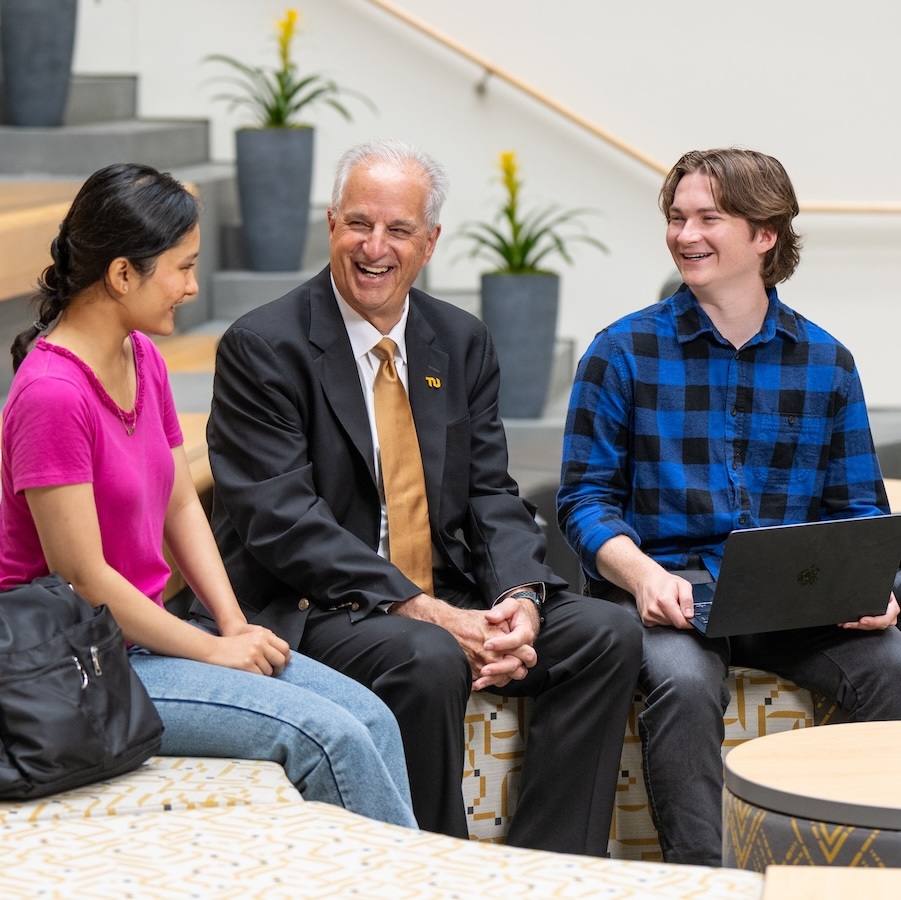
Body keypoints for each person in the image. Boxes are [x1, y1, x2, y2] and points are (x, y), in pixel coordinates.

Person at [200, 139, 642, 855]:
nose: (375, 247)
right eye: (359, 224)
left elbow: (491, 494)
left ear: (429, 241)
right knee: (428, 656)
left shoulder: (459, 341)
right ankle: (434, 869)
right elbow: (282, 524)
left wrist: (520, 602)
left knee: (604, 634)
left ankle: (546, 864)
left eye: (398, 230)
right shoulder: (264, 345)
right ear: (330, 223)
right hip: (320, 605)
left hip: (447, 593)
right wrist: (429, 611)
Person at [0, 163, 416, 829]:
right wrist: (212, 651)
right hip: (79, 662)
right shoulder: (53, 395)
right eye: (182, 268)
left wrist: (231, 622)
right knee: (327, 738)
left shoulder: (141, 356)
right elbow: (83, 578)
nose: (192, 287)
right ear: (121, 275)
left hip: (146, 638)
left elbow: (180, 503)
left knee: (370, 714)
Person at [557, 147, 901, 865]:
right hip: (671, 598)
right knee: (682, 684)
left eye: (708, 218)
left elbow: (858, 511)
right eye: (676, 218)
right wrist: (642, 575)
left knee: (891, 663)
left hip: (791, 606)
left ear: (764, 235)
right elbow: (584, 502)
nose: (685, 235)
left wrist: (879, 593)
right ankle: (705, 882)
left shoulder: (824, 361)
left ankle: (853, 876)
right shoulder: (620, 352)